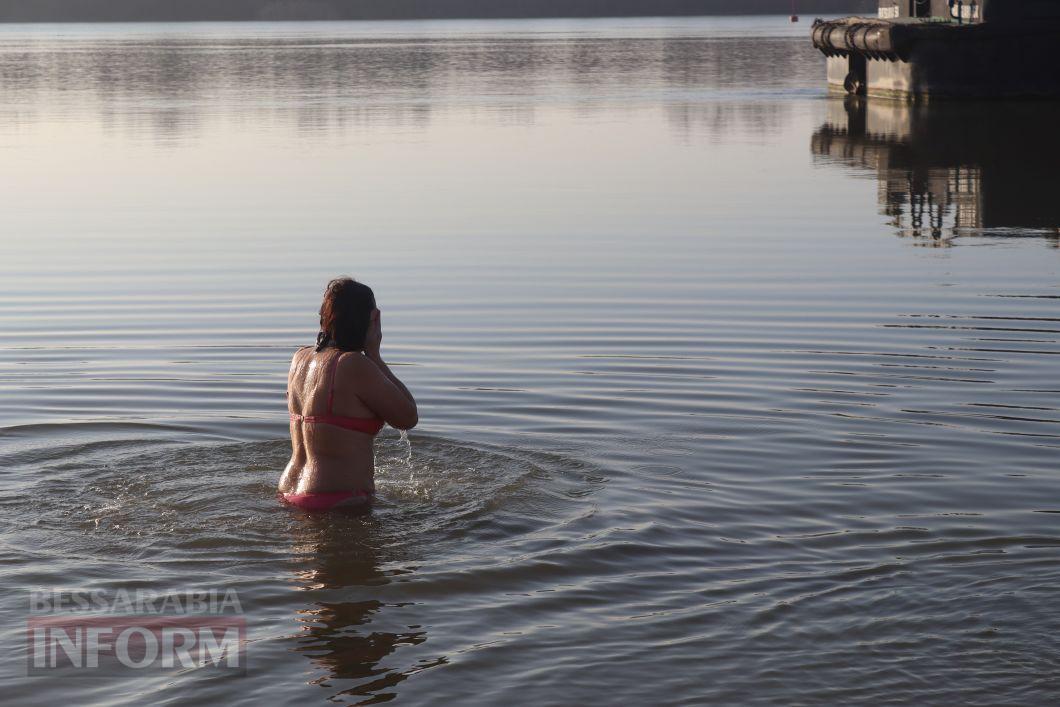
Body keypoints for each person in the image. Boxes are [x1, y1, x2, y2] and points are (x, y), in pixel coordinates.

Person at [279, 277, 417, 511]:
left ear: (324, 317)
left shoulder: (300, 358)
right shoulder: (353, 365)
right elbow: (407, 417)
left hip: (288, 490)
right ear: (373, 319)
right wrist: (375, 356)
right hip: (338, 501)